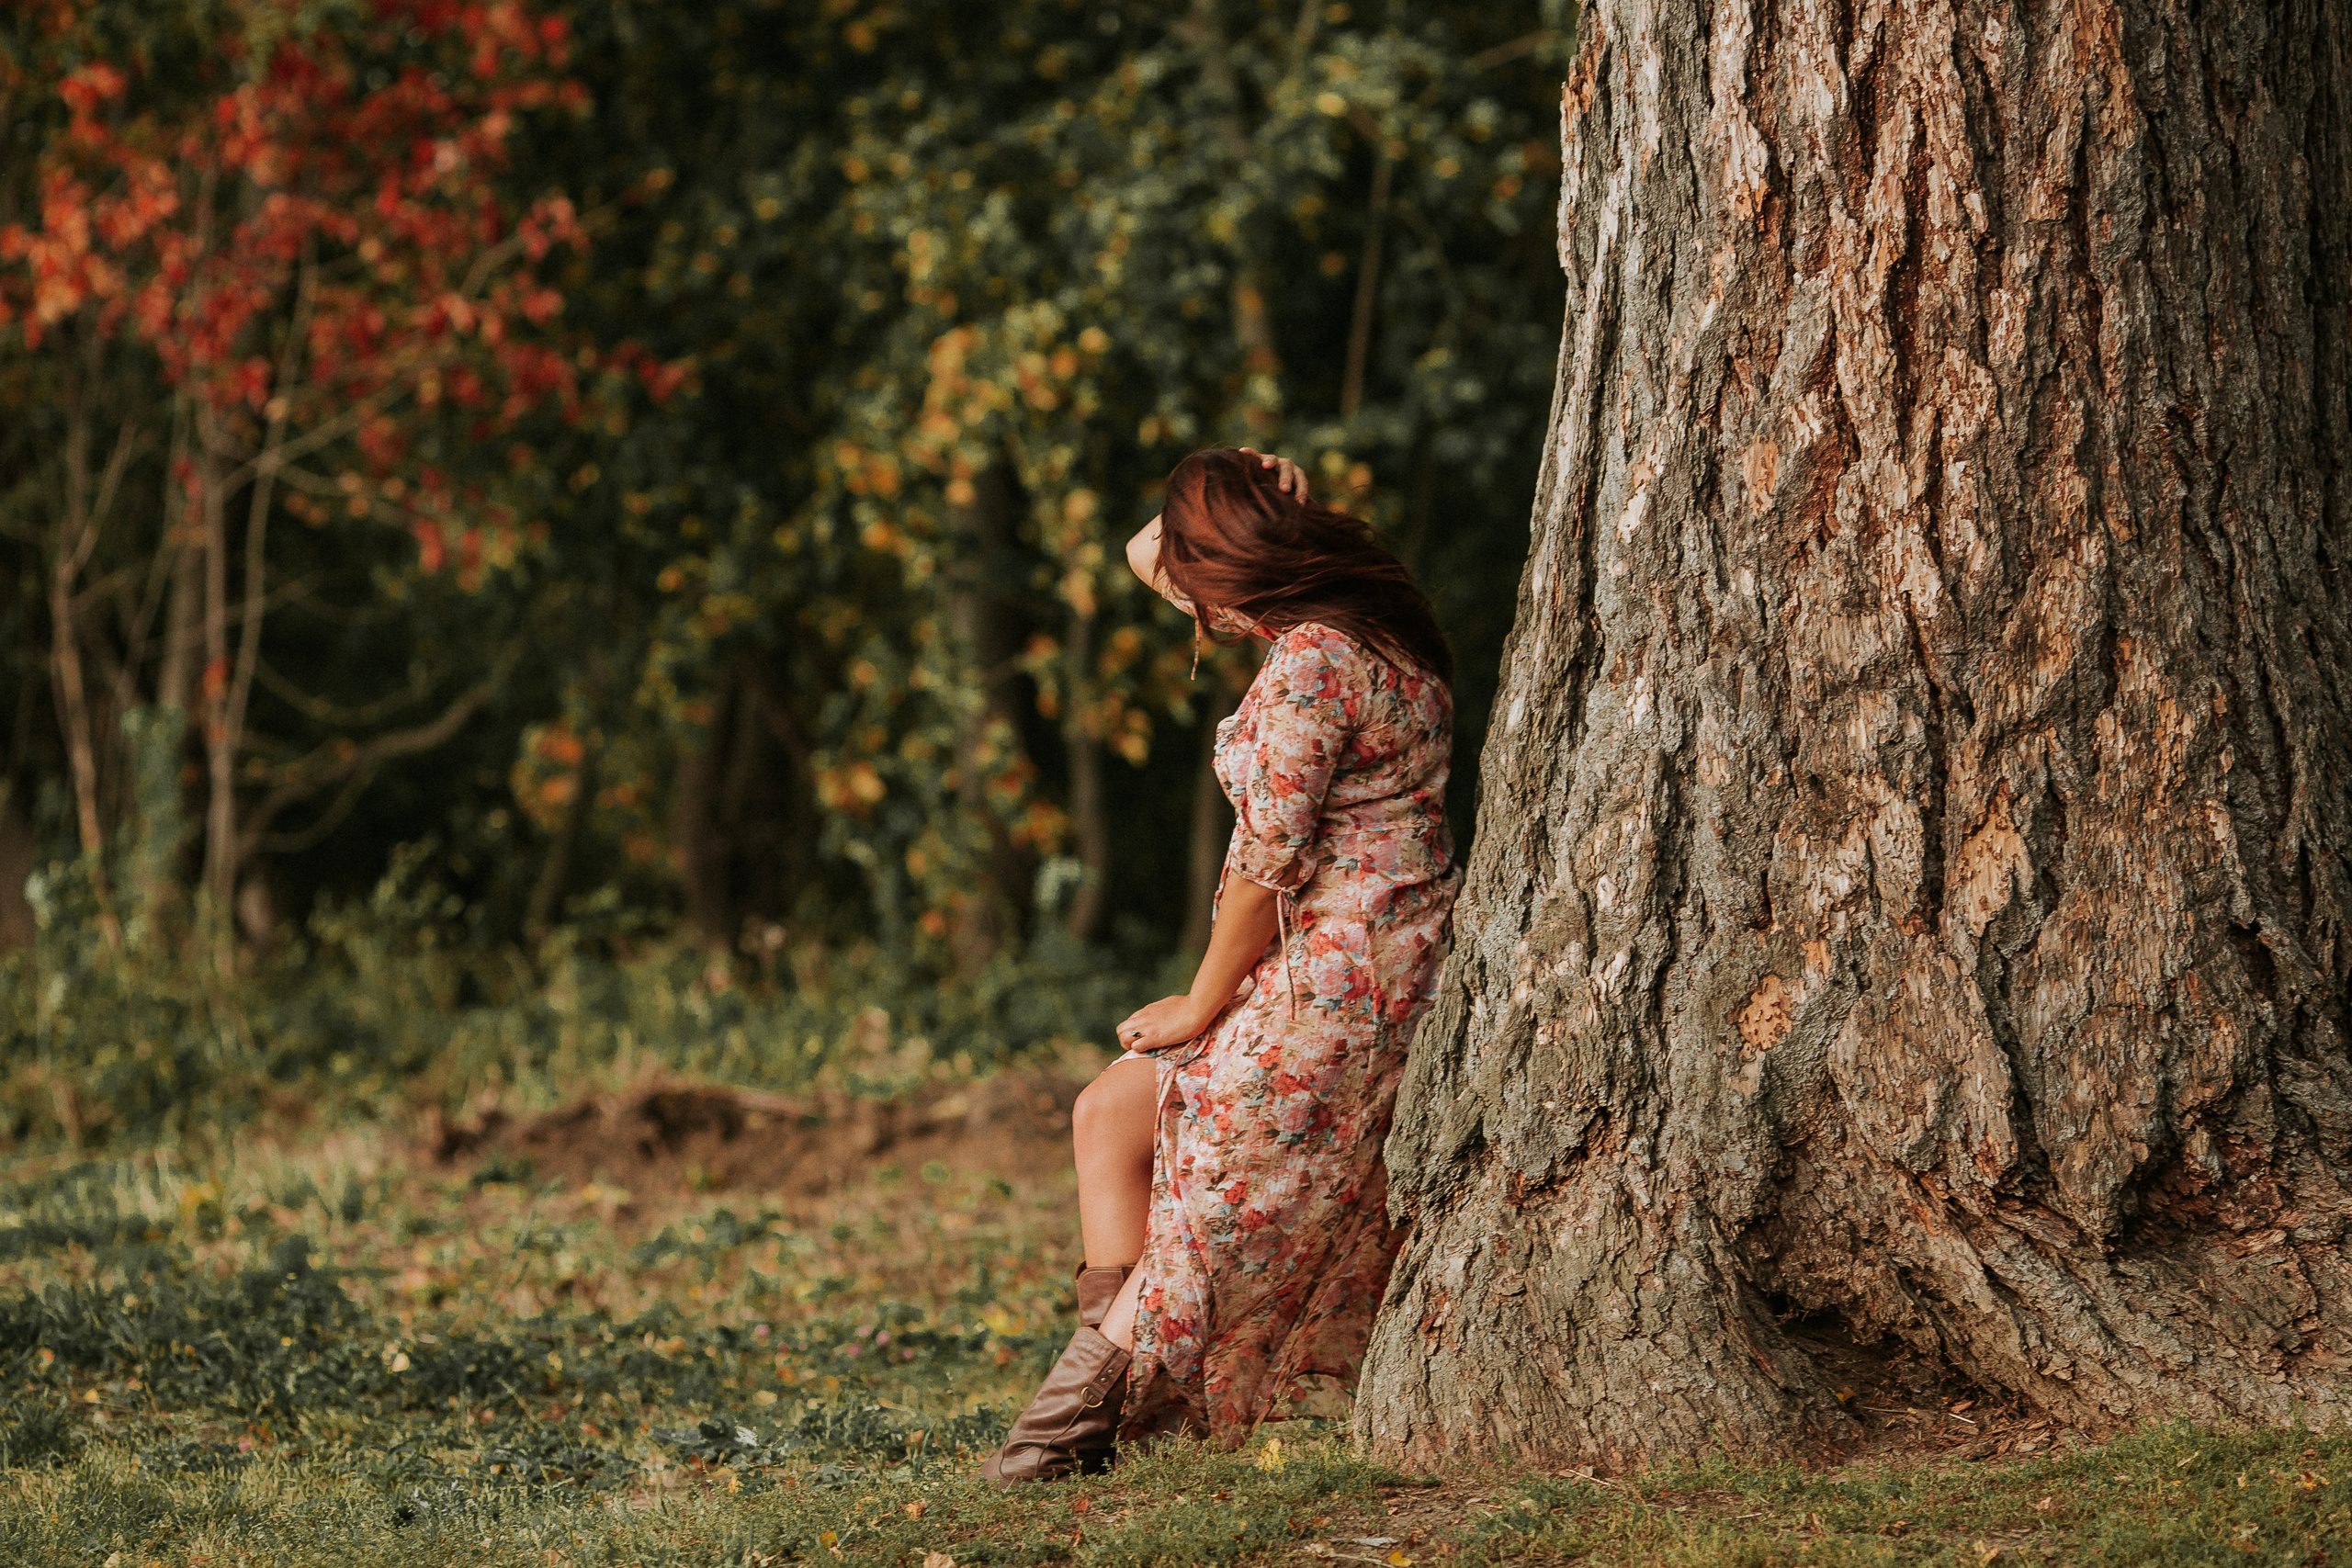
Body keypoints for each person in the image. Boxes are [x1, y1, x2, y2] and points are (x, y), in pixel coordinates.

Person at [980, 447, 1463, 1483]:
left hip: (1347, 979)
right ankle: (1132, 1400)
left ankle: (1061, 1436)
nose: (1182, 596)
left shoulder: (1315, 662)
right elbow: (1143, 553)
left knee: (1206, 1195)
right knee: (1109, 1110)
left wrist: (1203, 999)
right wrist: (1266, 497)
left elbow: (1262, 866)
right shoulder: (1357, 627)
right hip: (1335, 957)